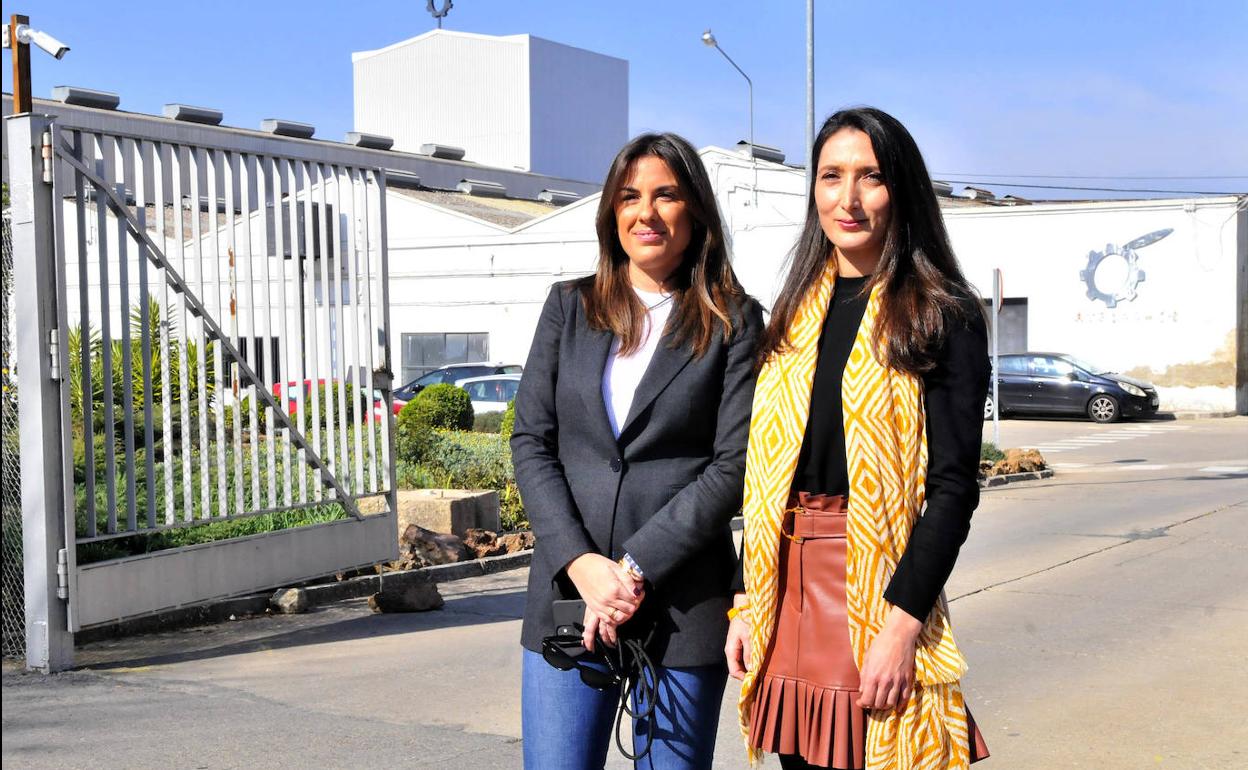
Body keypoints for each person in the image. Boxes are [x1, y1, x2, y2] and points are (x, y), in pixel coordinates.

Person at [725, 107, 992, 769]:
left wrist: (900, 629)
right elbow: (766, 479)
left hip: (876, 590)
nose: (847, 199)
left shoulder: (941, 313)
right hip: (783, 586)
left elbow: (954, 489)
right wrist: (742, 600)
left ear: (900, 189)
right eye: (830, 176)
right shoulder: (792, 314)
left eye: (869, 177)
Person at [512, 131, 764, 770]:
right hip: (570, 596)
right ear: (611, 212)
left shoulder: (733, 320)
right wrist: (582, 564)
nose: (645, 213)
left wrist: (632, 568)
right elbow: (532, 443)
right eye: (629, 196)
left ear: (696, 211)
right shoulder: (569, 307)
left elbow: (732, 464)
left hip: (681, 603)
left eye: (666, 195)